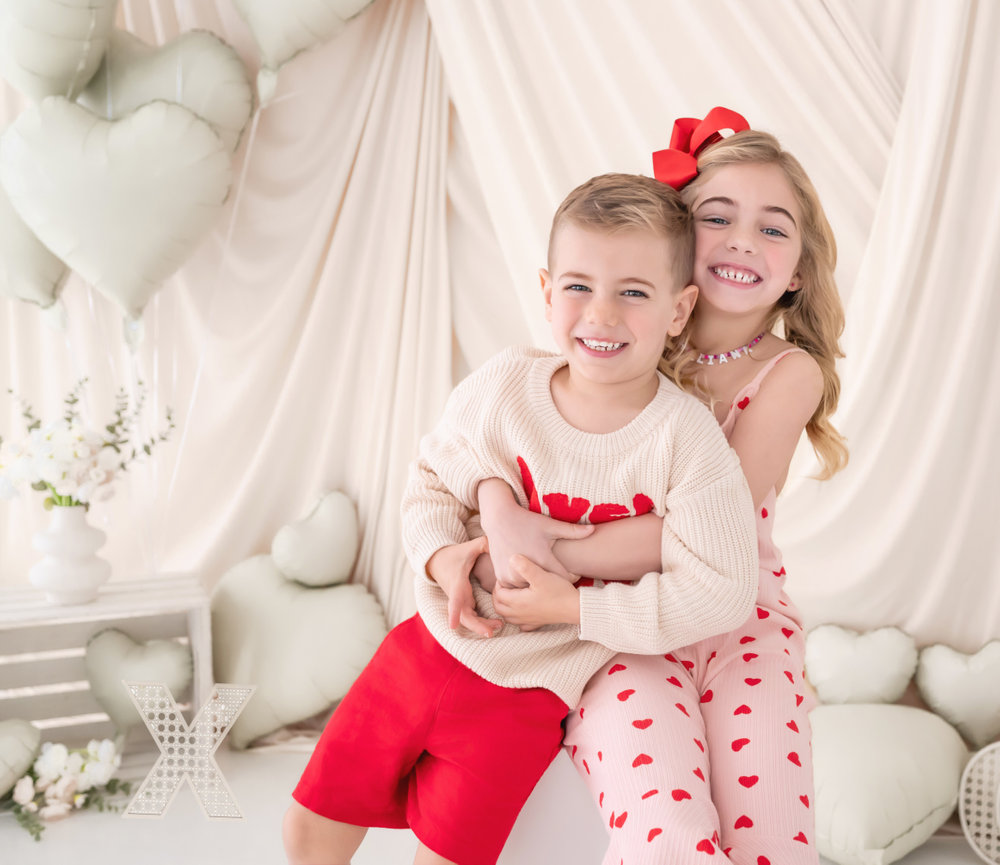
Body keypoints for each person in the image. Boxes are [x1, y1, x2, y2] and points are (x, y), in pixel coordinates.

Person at [281, 172, 761, 865]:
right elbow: (428, 482)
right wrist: (442, 557)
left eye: (633, 292)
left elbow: (723, 589)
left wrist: (575, 607)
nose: (601, 314)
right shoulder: (507, 383)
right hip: (422, 650)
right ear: (546, 291)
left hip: (526, 698)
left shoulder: (685, 438)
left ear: (679, 309)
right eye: (578, 286)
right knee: (308, 826)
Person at [477, 107, 847, 863]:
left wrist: (544, 545)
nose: (743, 240)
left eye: (773, 228)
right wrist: (493, 518)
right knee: (668, 836)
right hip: (620, 628)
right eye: (717, 217)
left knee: (773, 839)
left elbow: (703, 537)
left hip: (741, 624)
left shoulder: (788, 374)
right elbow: (496, 438)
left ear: (799, 273)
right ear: (674, 240)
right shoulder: (609, 354)